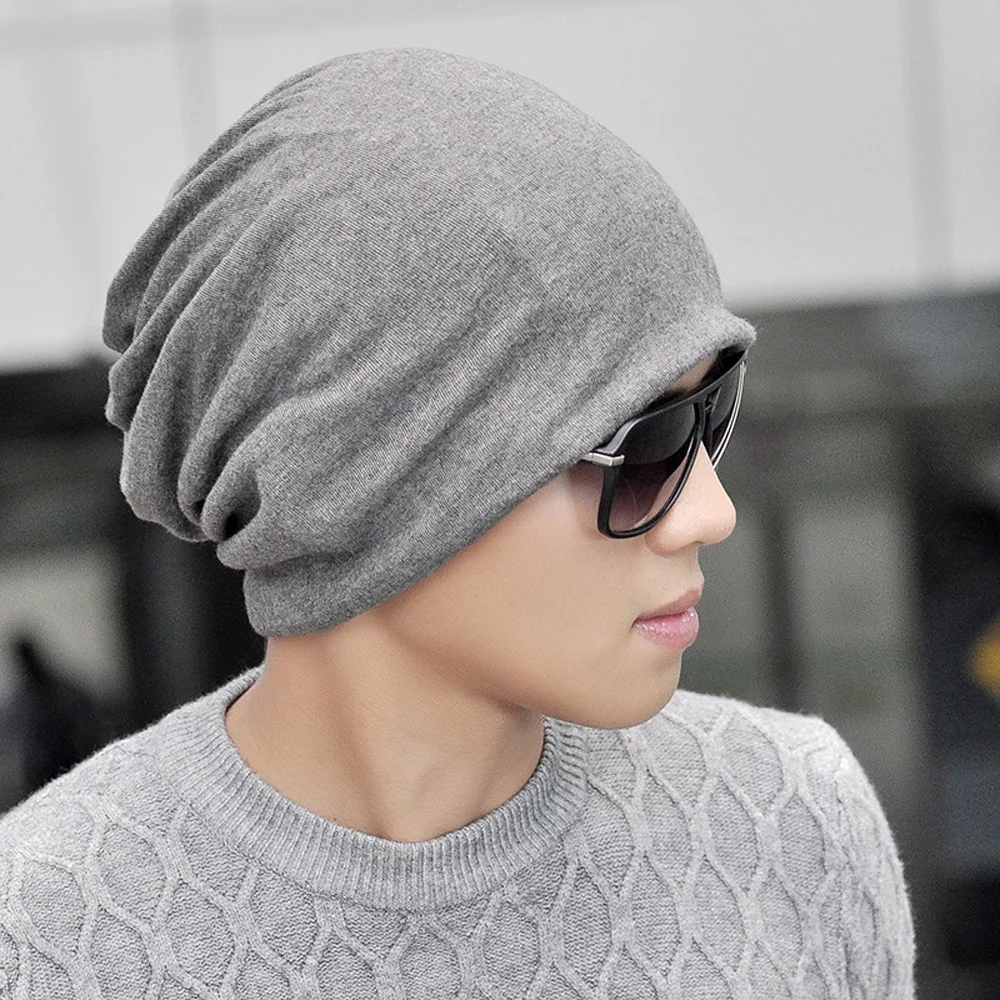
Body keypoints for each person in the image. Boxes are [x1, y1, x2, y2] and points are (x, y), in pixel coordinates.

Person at [0, 46, 914, 998]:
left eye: (711, 413)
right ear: (358, 475)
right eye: (644, 444)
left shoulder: (790, 821)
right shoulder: (43, 942)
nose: (710, 513)